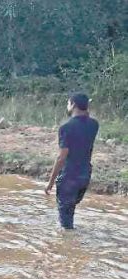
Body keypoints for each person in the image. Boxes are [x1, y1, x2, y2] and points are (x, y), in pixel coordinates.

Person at [45, 93, 99, 229]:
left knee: (66, 225)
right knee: (70, 212)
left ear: (73, 104)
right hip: (85, 176)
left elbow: (61, 157)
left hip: (69, 176)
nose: (67, 106)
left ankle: (68, 246)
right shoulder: (94, 124)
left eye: (68, 103)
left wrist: (51, 182)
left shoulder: (66, 128)